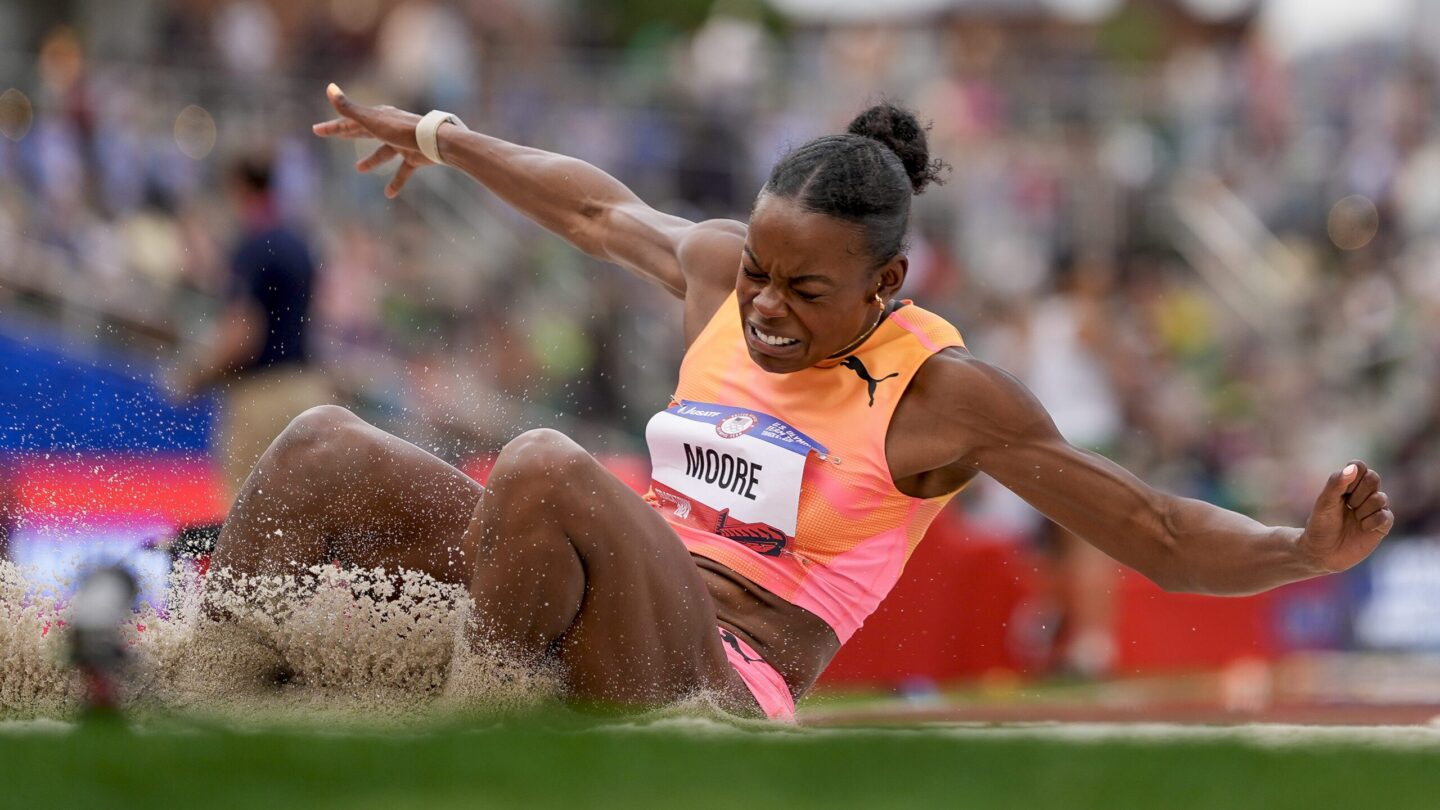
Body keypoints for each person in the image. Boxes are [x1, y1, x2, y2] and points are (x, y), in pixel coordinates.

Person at [209, 83, 1395, 721]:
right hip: (575, 595)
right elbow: (594, 211)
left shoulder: (941, 398)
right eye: (759, 276)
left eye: (804, 291)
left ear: (888, 283)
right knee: (321, 447)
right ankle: (208, 691)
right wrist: (439, 134)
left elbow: (1160, 534)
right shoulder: (729, 275)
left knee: (543, 465)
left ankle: (475, 746)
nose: (765, 310)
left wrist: (1301, 549)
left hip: (712, 676)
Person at [170, 151, 331, 506]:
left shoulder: (253, 245)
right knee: (305, 517)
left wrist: (196, 376)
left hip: (260, 398)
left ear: (238, 185)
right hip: (307, 391)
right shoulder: (299, 243)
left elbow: (243, 335)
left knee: (248, 518)